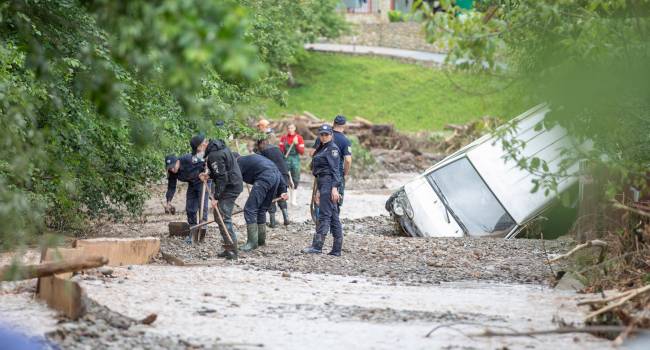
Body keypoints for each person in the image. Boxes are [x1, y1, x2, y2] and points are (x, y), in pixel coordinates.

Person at [302, 124, 343, 256]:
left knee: (324, 215)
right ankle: (337, 249)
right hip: (323, 183)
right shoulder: (323, 147)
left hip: (329, 183)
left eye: (326, 134)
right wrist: (319, 191)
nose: (324, 137)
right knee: (334, 216)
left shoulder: (332, 149)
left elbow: (336, 170)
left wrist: (335, 188)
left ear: (331, 135)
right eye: (322, 134)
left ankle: (317, 246)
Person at [199, 137, 243, 259]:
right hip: (232, 183)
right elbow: (221, 171)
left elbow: (222, 177)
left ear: (204, 144)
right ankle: (228, 248)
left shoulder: (215, 155)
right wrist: (209, 175)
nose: (200, 149)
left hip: (231, 186)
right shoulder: (221, 148)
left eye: (200, 146)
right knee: (219, 217)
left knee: (223, 218)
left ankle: (233, 251)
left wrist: (216, 197)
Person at [236, 153, 289, 251]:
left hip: (264, 178)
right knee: (262, 209)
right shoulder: (252, 159)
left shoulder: (237, 162)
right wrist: (283, 191)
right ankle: (261, 240)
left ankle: (252, 243)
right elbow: (277, 171)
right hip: (275, 178)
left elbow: (235, 181)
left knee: (250, 209)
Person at [165, 151, 209, 242]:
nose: (172, 169)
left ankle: (203, 230)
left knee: (202, 206)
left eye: (173, 167)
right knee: (190, 208)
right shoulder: (172, 172)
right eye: (170, 168)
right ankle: (193, 232)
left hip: (203, 182)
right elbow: (171, 186)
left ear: (177, 162)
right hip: (192, 184)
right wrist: (168, 201)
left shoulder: (189, 159)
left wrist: (207, 171)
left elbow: (206, 161)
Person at [312, 115, 352, 206]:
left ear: (333, 123)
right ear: (344, 125)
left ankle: (319, 218)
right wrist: (344, 173)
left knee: (320, 198)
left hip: (322, 173)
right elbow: (348, 160)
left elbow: (312, 153)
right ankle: (333, 217)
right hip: (336, 173)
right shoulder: (345, 140)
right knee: (336, 200)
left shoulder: (322, 136)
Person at [255, 138, 291, 227]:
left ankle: (272, 222)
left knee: (271, 198)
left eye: (258, 145)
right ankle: (286, 219)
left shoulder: (262, 151)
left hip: (273, 176)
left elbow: (259, 165)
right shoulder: (277, 148)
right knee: (282, 195)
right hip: (284, 174)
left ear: (261, 144)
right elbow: (284, 162)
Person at [279, 123, 305, 206]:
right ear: (287, 129)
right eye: (289, 128)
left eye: (292, 128)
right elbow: (280, 151)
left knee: (295, 179)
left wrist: (296, 144)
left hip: (295, 161)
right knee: (285, 178)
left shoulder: (299, 138)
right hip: (285, 160)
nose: (290, 129)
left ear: (295, 128)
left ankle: (293, 200)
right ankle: (286, 197)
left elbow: (302, 152)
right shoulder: (283, 138)